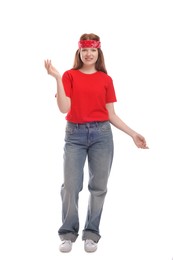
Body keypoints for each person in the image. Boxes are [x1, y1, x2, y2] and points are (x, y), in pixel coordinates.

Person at [44, 33, 148, 253]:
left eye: (92, 50)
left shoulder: (105, 79)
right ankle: (68, 233)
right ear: (79, 52)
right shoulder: (69, 76)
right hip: (75, 135)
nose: (88, 54)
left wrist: (132, 134)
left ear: (98, 52)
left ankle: (91, 234)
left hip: (102, 135)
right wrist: (57, 77)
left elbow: (111, 114)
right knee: (71, 186)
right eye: (84, 50)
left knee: (98, 187)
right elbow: (64, 108)